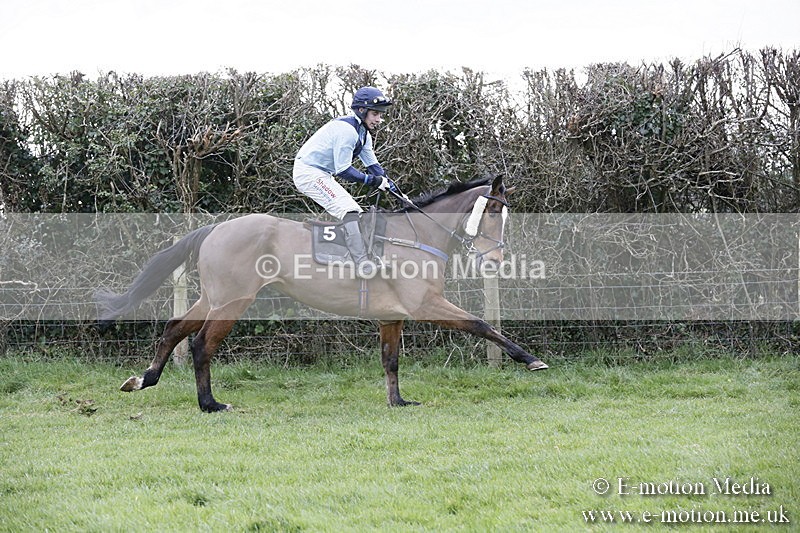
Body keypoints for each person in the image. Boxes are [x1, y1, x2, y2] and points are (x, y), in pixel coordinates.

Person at [293, 86, 398, 277]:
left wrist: (395, 189)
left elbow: (374, 166)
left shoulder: (364, 135)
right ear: (361, 110)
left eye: (380, 115)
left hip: (322, 173)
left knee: (354, 211)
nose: (379, 119)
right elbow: (344, 170)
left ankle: (358, 257)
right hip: (308, 172)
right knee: (350, 211)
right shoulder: (347, 131)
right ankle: (361, 264)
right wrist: (373, 181)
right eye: (375, 114)